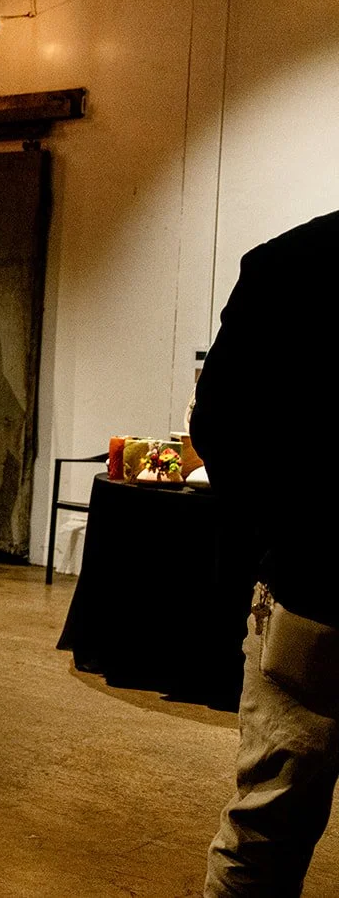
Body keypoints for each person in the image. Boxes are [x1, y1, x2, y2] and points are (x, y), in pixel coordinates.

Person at [197, 210, 339, 896]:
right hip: (309, 581)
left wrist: (284, 530)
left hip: (312, 586)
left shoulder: (290, 261)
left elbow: (218, 424)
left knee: (263, 836)